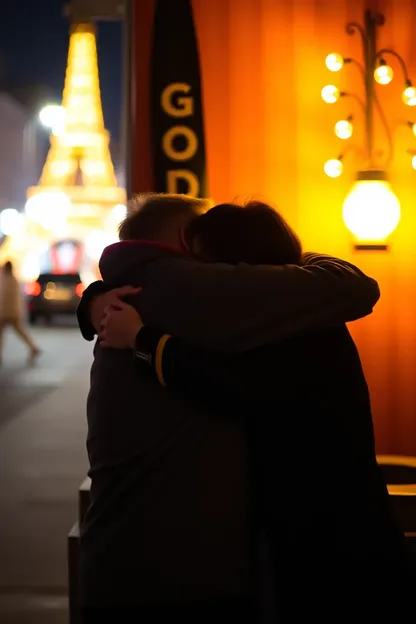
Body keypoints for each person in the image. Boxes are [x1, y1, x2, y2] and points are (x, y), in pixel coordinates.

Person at [97, 201, 414, 622]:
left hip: (325, 546)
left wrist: (141, 338)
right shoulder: (298, 316)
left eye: (208, 260)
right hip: (339, 537)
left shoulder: (290, 329)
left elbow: (232, 383)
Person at [0, 261, 40, 363]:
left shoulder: (6, 280)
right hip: (14, 312)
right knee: (20, 332)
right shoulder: (14, 280)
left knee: (3, 333)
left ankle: (33, 348)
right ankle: (33, 348)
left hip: (5, 313)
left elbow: (3, 298)